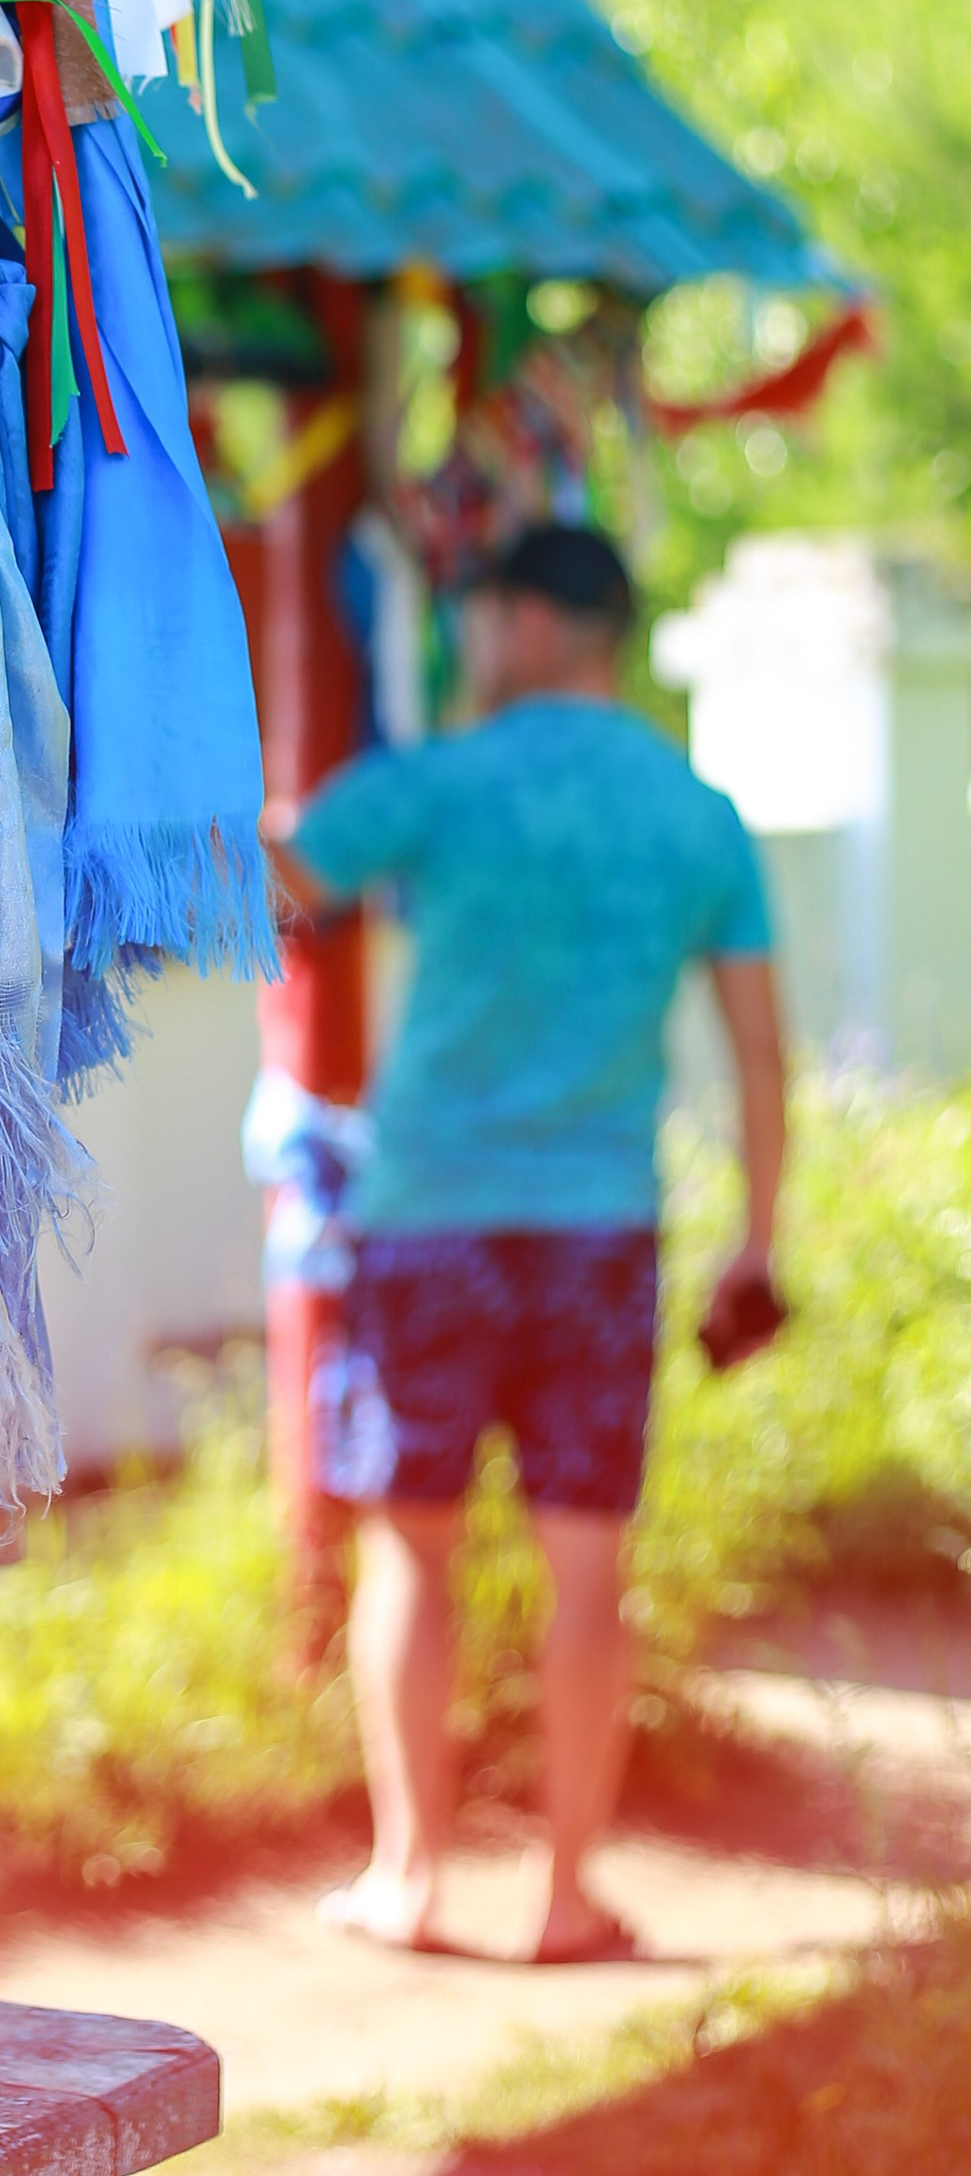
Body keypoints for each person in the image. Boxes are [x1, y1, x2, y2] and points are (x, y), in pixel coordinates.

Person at [275, 520, 784, 1964]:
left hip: (426, 1218)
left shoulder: (437, 783)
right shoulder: (697, 813)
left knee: (412, 1558)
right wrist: (755, 1242)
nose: (468, 640)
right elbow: (759, 1057)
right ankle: (566, 1895)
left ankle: (410, 1877)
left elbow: (280, 886)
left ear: (540, 623)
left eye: (482, 615)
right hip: (597, 1234)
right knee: (584, 1568)